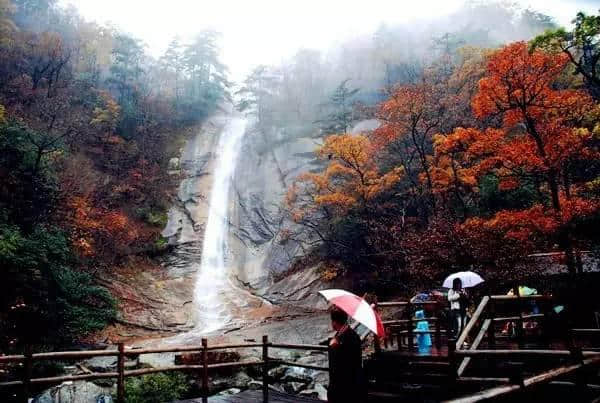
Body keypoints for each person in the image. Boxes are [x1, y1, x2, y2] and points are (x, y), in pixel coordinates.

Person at [328, 308, 366, 403]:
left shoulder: (348, 337)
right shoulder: (343, 334)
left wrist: (335, 348)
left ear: (334, 322)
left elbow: (345, 363)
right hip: (348, 384)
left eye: (332, 321)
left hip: (345, 385)